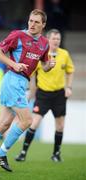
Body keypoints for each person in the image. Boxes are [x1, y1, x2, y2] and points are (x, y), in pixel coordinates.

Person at [0, 9, 56, 172]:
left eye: (37, 22)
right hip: (12, 80)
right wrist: (14, 64)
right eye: (31, 20)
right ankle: (1, 153)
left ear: (43, 25)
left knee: (3, 124)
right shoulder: (17, 35)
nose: (32, 24)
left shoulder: (45, 43)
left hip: (21, 82)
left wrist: (49, 66)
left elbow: (43, 66)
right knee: (27, 121)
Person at [15, 29, 75, 162]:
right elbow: (32, 75)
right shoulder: (41, 54)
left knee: (60, 126)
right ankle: (23, 153)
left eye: (58, 39)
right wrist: (30, 93)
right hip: (43, 95)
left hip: (59, 94)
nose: (56, 41)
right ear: (47, 40)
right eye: (53, 38)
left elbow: (70, 71)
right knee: (34, 123)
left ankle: (56, 154)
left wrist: (69, 87)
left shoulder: (64, 54)